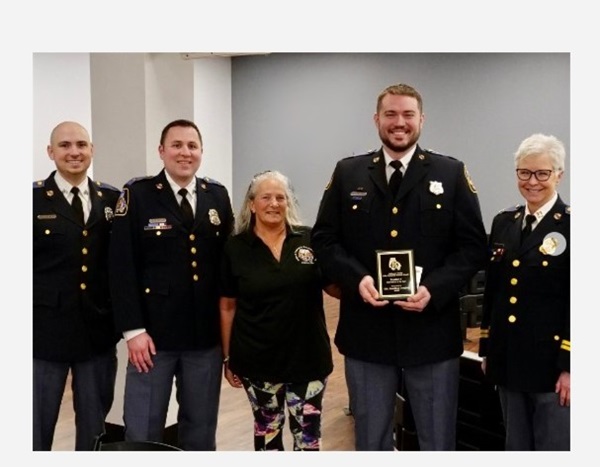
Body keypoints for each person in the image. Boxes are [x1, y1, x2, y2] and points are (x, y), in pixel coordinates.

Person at [311, 83, 488, 451]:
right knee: (370, 441)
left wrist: (435, 288)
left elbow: (472, 248)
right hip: (367, 333)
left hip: (432, 334)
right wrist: (356, 278)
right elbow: (324, 240)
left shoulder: (450, 173)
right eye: (390, 114)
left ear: (421, 120)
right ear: (377, 119)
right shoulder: (349, 173)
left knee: (437, 441)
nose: (399, 122)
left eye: (408, 114)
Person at [108, 119, 234, 450]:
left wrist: (230, 340)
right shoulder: (138, 195)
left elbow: (228, 269)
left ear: (201, 152)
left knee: (201, 429)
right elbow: (121, 268)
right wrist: (133, 331)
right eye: (176, 145)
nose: (185, 152)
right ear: (161, 151)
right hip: (152, 340)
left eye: (192, 146)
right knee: (143, 428)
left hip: (204, 339)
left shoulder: (217, 196)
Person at [219, 170, 337, 451]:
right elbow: (227, 306)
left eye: (280, 197)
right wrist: (227, 357)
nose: (274, 203)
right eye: (266, 197)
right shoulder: (235, 248)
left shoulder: (310, 240)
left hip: (308, 360)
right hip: (258, 362)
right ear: (252, 204)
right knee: (268, 437)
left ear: (288, 203)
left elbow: (333, 286)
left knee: (308, 439)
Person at [479, 133, 570, 450]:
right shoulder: (504, 222)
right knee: (515, 446)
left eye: (542, 173)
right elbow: (494, 293)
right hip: (508, 360)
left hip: (552, 367)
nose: (532, 181)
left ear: (559, 174)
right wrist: (487, 347)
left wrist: (571, 367)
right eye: (524, 172)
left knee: (553, 446)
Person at [33, 121, 121, 450]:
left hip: (96, 334)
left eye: (82, 145)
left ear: (92, 150)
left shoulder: (112, 198)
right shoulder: (32, 199)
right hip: (44, 334)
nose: (74, 152)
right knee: (36, 426)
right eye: (66, 145)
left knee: (93, 425)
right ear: (51, 152)